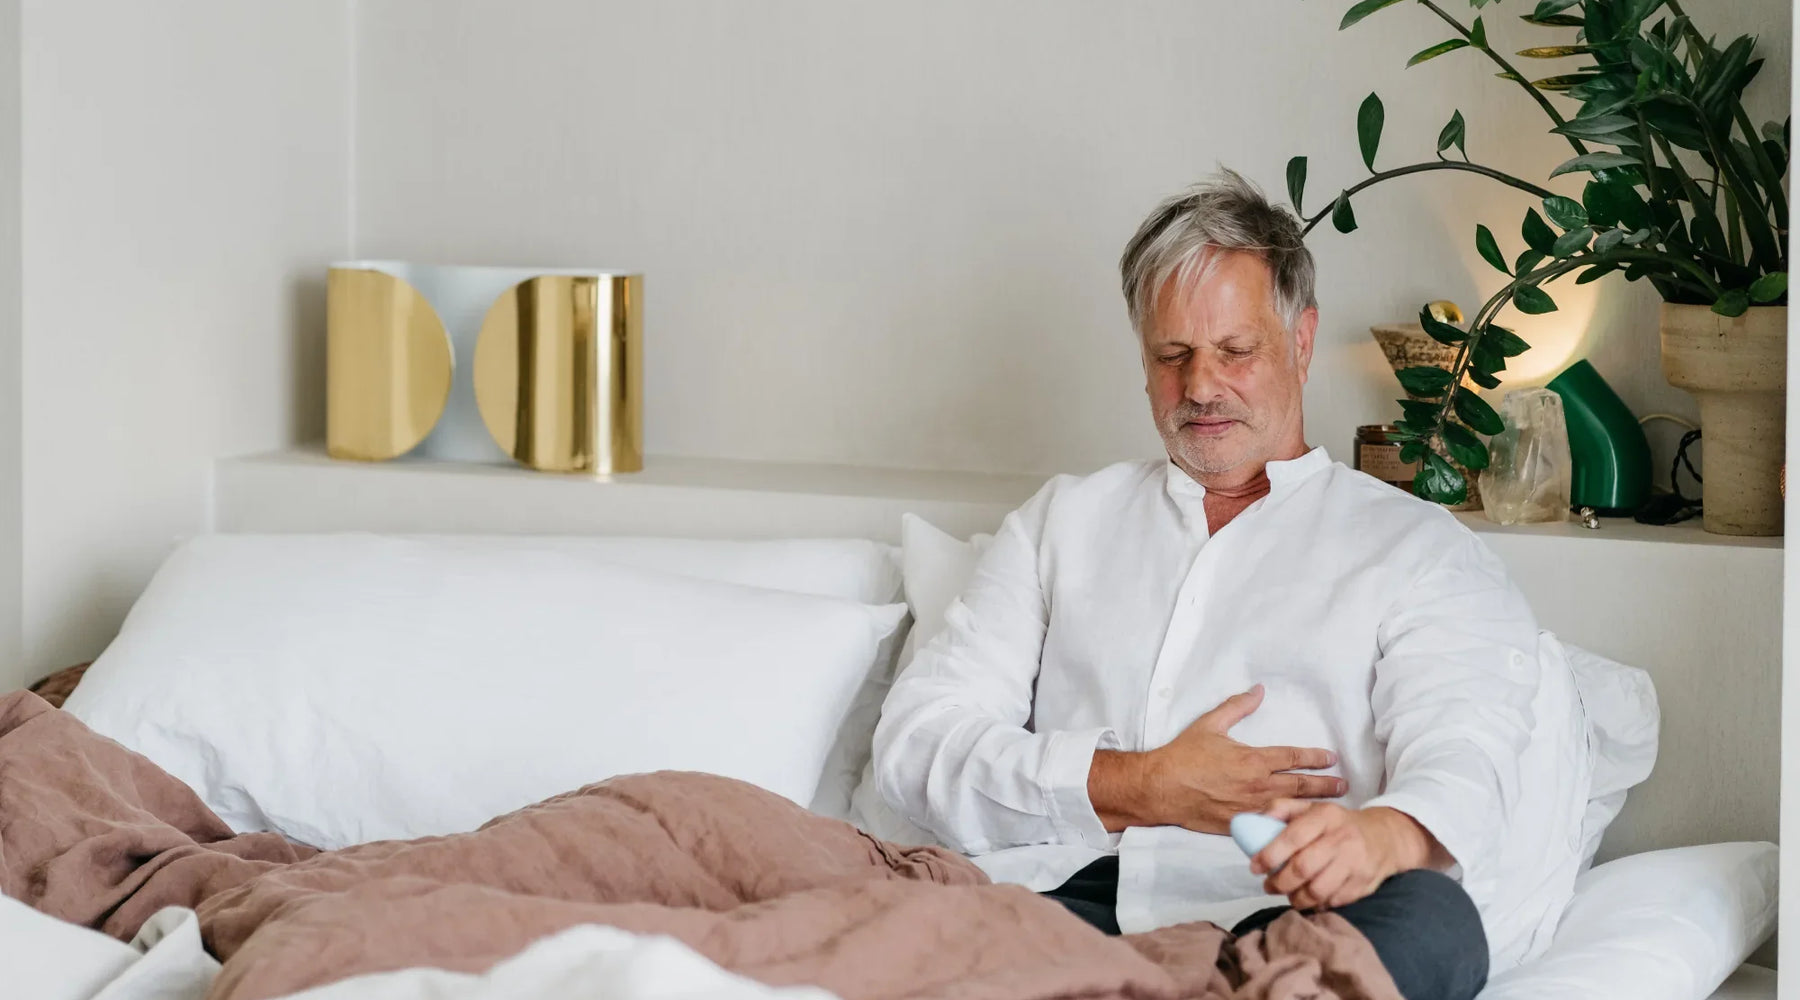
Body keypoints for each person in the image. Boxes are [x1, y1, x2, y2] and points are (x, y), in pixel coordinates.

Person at [871, 170, 1543, 1000]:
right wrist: (1138, 784)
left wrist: (1383, 837)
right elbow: (916, 743)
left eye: (1235, 351)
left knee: (1435, 919)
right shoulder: (1062, 523)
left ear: (1300, 342)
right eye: (1172, 355)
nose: (1199, 387)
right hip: (1043, 905)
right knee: (704, 824)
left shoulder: (1417, 550)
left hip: (1270, 919)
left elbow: (1465, 756)